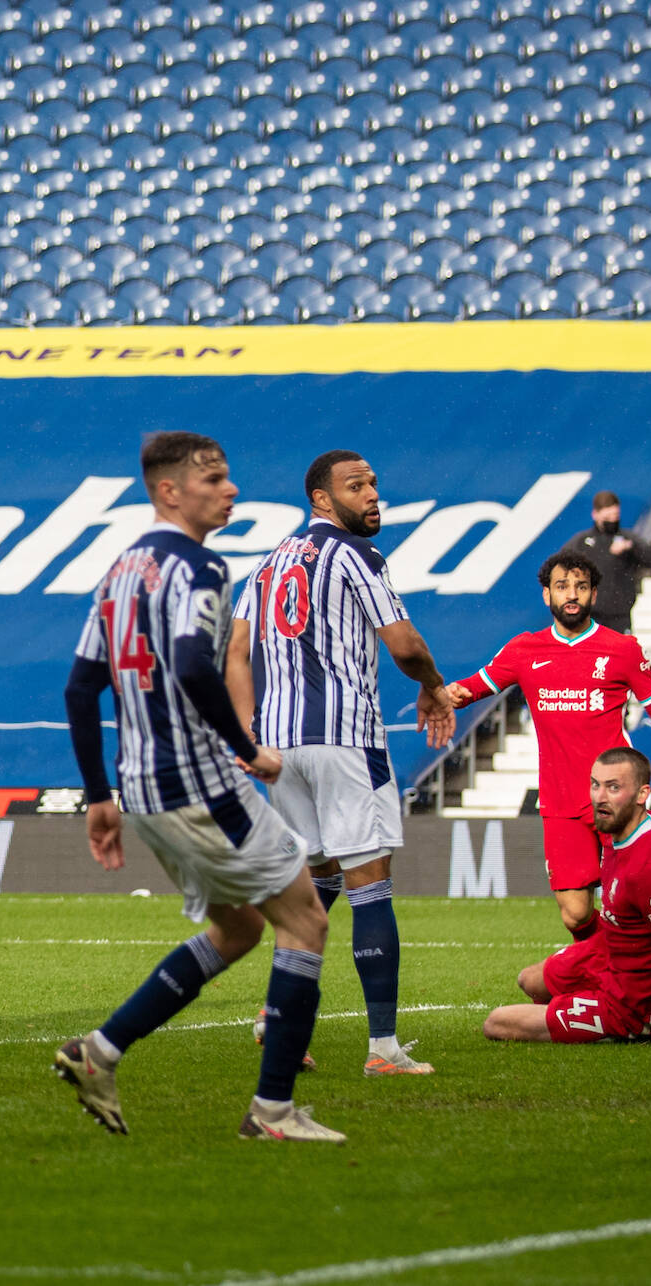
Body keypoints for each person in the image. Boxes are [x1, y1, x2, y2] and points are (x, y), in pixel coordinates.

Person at [56, 430, 340, 1143]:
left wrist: (98, 796)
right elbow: (188, 662)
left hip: (143, 792)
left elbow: (81, 686)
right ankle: (274, 1110)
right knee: (305, 920)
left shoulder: (121, 569)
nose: (230, 489)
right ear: (169, 491)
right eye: (213, 478)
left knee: (241, 927)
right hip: (201, 786)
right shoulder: (202, 567)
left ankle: (100, 1051)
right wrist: (249, 750)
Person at [225, 449, 454, 1076]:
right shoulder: (357, 556)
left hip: (282, 746)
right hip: (345, 739)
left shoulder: (270, 564)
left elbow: (236, 651)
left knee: (315, 884)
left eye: (375, 483)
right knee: (370, 885)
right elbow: (404, 645)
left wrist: (250, 732)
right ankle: (383, 1048)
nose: (372, 495)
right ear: (321, 499)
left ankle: (280, 1022)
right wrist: (433, 685)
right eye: (357, 486)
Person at [444, 551, 651, 941]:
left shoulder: (621, 649)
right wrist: (444, 693)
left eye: (580, 586)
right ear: (547, 595)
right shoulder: (525, 651)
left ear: (594, 594)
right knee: (576, 915)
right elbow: (473, 687)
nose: (571, 594)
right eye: (562, 586)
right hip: (561, 799)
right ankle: (613, 967)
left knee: (648, 895)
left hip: (616, 795)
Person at [484, 747, 651, 1048]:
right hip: (611, 952)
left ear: (642, 794)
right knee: (529, 980)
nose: (600, 796)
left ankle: (592, 1019)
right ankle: (572, 1011)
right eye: (596, 784)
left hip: (636, 1004)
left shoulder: (647, 866)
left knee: (496, 1023)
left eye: (614, 787)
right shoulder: (632, 824)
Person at [559, 490, 651, 635]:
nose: (612, 521)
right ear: (596, 515)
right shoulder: (583, 542)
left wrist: (631, 547)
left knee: (622, 654)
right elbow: (559, 565)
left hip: (620, 614)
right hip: (591, 614)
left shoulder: (626, 538)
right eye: (607, 517)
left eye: (615, 516)